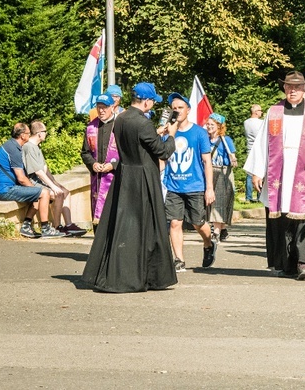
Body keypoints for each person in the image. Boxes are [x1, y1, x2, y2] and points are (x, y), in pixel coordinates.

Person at [82, 83, 178, 292]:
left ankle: (119, 272)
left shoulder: (121, 118)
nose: (152, 104)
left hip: (125, 175)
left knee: (122, 227)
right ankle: (148, 277)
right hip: (143, 178)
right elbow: (162, 151)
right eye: (152, 100)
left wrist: (155, 132)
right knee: (148, 227)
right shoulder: (142, 123)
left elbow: (139, 142)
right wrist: (171, 135)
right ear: (146, 101)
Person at [245, 71, 305, 280]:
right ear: (284, 88)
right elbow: (262, 143)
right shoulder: (274, 112)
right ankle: (288, 264)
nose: (293, 91)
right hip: (281, 172)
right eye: (289, 87)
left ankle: (304, 263)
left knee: (304, 219)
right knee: (283, 221)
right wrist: (258, 172)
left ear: (304, 89)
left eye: (297, 87)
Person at [164, 93, 217, 273]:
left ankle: (209, 243)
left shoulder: (199, 133)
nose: (177, 111)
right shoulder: (168, 132)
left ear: (188, 110)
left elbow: (207, 162)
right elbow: (163, 158)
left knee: (197, 223)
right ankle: (179, 259)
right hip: (173, 186)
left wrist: (209, 188)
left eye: (180, 107)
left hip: (195, 185)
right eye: (174, 108)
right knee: (174, 223)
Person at [23, 120, 85, 236]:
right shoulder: (29, 147)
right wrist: (53, 187)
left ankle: (68, 225)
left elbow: (45, 169)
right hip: (32, 182)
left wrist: (55, 183)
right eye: (45, 131)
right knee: (58, 194)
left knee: (65, 192)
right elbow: (38, 172)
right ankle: (57, 226)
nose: (46, 134)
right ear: (39, 133)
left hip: (40, 180)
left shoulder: (37, 147)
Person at [0, 123, 52, 238]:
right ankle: (45, 228)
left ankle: (26, 226)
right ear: (22, 136)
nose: (30, 135)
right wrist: (35, 190)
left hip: (5, 188)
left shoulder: (11, 146)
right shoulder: (13, 150)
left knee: (37, 193)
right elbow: (21, 179)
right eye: (28, 133)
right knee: (44, 193)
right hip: (5, 190)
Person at [81, 94, 119, 234]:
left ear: (112, 107)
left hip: (116, 178)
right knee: (98, 216)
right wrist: (93, 164)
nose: (101, 110)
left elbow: (129, 152)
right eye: (99, 107)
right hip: (97, 179)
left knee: (114, 214)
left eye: (104, 107)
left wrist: (113, 165)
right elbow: (85, 152)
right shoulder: (91, 127)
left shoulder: (120, 125)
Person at [205, 113, 237, 242]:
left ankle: (216, 232)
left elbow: (232, 155)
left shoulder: (225, 140)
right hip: (210, 171)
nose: (209, 126)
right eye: (208, 124)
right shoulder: (205, 139)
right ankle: (221, 229)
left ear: (219, 126)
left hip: (223, 172)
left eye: (212, 124)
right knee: (211, 202)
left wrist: (233, 159)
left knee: (220, 203)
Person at [243, 104, 264, 203]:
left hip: (249, 149)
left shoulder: (246, 122)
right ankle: (260, 195)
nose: (261, 112)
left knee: (249, 173)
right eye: (260, 110)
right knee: (260, 172)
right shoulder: (261, 123)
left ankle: (248, 196)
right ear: (255, 112)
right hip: (258, 149)